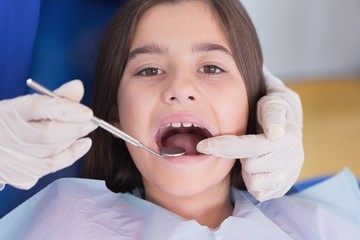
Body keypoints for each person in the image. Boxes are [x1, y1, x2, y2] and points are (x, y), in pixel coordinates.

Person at [1, 1, 359, 239]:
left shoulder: (319, 227)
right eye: (150, 69)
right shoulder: (64, 224)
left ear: (256, 105)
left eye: (211, 68)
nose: (181, 88)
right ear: (115, 115)